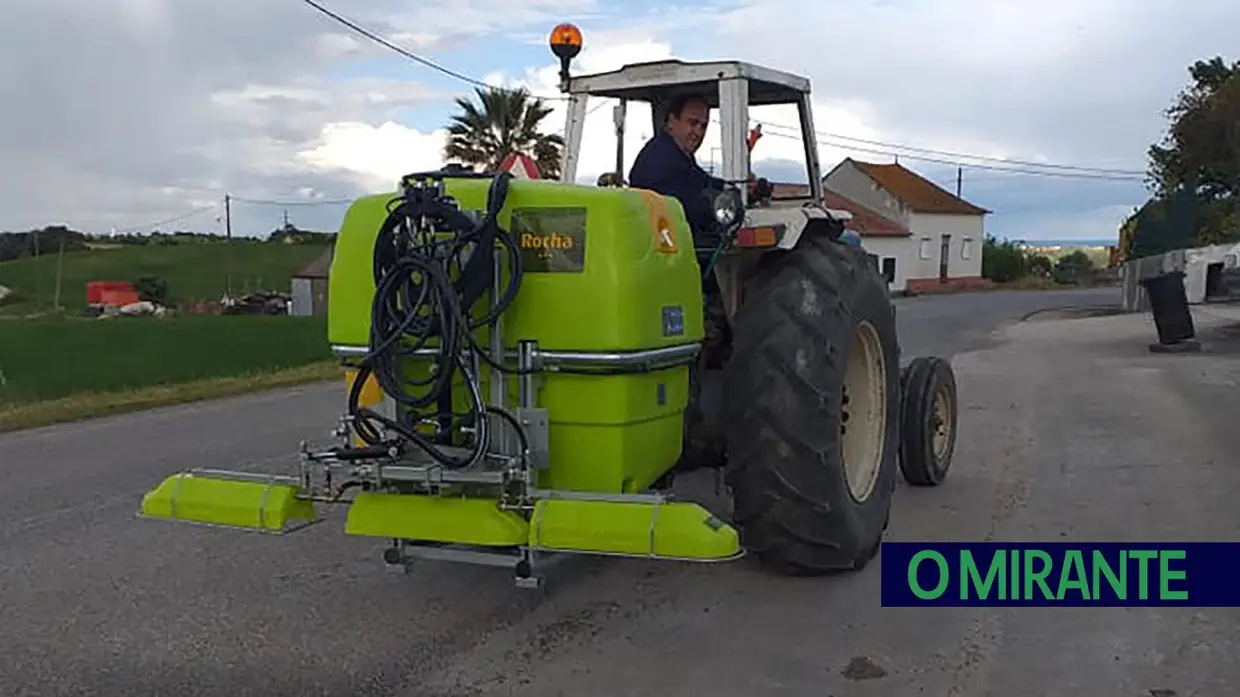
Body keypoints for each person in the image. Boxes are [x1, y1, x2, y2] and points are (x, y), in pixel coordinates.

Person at [628, 93, 728, 234]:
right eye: (692, 123)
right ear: (671, 121)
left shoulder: (680, 156)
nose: (698, 132)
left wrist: (731, 188)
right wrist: (718, 200)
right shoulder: (659, 158)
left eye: (703, 126)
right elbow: (685, 206)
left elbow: (703, 181)